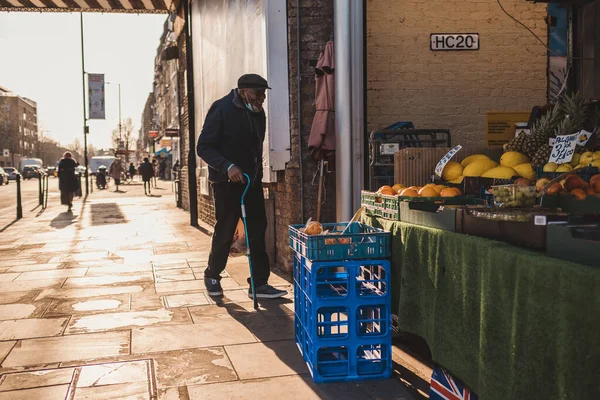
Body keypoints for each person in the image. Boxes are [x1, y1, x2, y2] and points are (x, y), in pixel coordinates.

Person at [197, 73, 287, 299]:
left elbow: (256, 147)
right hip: (226, 184)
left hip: (251, 182)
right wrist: (228, 166)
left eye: (264, 94)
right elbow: (204, 147)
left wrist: (255, 173)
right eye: (258, 93)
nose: (262, 98)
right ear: (244, 91)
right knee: (226, 230)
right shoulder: (221, 109)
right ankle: (212, 275)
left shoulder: (258, 113)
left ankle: (259, 284)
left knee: (258, 231)